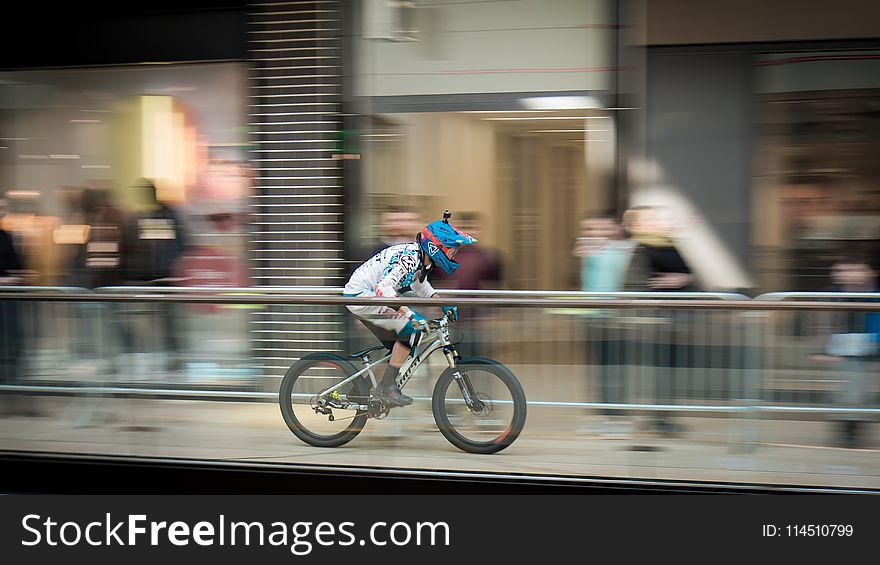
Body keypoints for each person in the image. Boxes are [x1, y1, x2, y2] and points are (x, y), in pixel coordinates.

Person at [343, 212, 475, 407]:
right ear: (435, 247)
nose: (453, 255)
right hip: (361, 296)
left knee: (398, 349)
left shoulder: (422, 260)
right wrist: (409, 313)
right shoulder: (409, 258)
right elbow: (383, 288)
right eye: (450, 250)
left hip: (368, 296)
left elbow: (420, 286)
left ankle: (361, 390)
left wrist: (442, 303)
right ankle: (387, 388)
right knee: (410, 331)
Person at [621, 205, 695, 437]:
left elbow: (688, 275)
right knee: (658, 373)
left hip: (670, 321)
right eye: (650, 218)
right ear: (636, 225)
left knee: (666, 373)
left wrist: (684, 278)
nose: (656, 221)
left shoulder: (665, 244)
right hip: (655, 322)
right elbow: (635, 283)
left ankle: (662, 415)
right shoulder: (643, 248)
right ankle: (658, 417)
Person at [572, 213, 638, 437]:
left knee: (617, 369)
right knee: (599, 370)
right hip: (594, 318)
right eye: (589, 230)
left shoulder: (625, 249)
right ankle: (602, 415)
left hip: (617, 319)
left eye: (599, 229)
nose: (594, 234)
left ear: (613, 228)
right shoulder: (588, 251)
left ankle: (619, 416)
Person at [812, 249, 880, 447]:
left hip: (868, 348)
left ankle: (852, 427)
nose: (847, 275)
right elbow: (824, 324)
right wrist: (822, 350)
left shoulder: (873, 292)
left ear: (871, 272)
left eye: (854, 269)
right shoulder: (836, 292)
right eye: (843, 270)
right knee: (849, 391)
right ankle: (849, 427)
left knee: (856, 391)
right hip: (848, 350)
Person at [430, 211, 501, 357]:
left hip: (477, 322)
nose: (469, 232)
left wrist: (491, 316)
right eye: (464, 228)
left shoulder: (488, 258)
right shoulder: (445, 257)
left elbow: (495, 288)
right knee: (457, 359)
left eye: (472, 228)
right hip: (453, 320)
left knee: (480, 359)